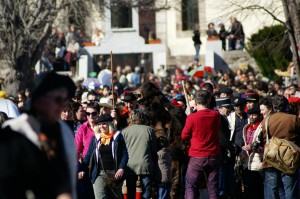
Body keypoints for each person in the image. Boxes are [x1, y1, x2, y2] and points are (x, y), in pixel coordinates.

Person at [0, 72, 77, 199]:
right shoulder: (14, 130)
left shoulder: (64, 130)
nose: (62, 106)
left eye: (64, 100)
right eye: (58, 100)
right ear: (39, 100)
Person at [182, 90, 221, 199]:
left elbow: (184, 136)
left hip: (197, 155)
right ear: (208, 100)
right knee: (213, 186)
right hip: (213, 154)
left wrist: (190, 115)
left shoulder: (192, 117)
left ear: (195, 102)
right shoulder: (216, 115)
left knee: (190, 185)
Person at [79, 114, 128, 199]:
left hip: (114, 173)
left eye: (104, 124)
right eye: (99, 124)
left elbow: (125, 154)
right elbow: (88, 155)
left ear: (109, 124)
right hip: (99, 173)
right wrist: (82, 168)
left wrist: (121, 168)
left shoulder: (117, 136)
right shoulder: (95, 138)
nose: (101, 126)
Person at [262, 95, 300, 199]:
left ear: (273, 107)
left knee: (271, 190)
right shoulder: (294, 119)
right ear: (286, 106)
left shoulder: (266, 120)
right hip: (289, 159)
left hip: (271, 158)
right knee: (290, 189)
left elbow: (263, 138)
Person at [122, 110, 157, 199]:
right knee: (146, 190)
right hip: (146, 164)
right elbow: (153, 149)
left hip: (130, 166)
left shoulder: (124, 131)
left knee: (131, 191)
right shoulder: (149, 130)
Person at [241, 106, 264, 199]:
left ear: (259, 116)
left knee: (257, 188)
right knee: (248, 188)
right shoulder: (247, 128)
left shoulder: (262, 128)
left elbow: (264, 145)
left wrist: (251, 147)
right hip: (247, 162)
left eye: (254, 115)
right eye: (250, 115)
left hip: (258, 162)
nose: (251, 117)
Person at [216, 97, 235, 199]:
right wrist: (232, 148)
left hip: (224, 156)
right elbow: (222, 139)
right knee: (221, 187)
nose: (229, 110)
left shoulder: (223, 118)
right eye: (227, 107)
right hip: (220, 156)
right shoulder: (218, 119)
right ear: (219, 107)